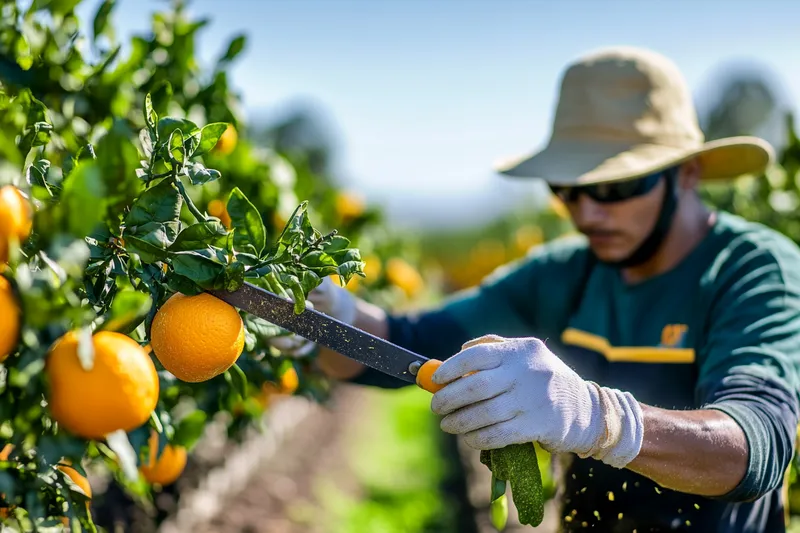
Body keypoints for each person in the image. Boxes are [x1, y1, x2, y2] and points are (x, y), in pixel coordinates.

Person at [295, 46, 800, 532]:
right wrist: (328, 320)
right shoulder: (563, 273)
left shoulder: (752, 270)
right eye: (568, 189)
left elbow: (753, 448)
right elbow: (411, 342)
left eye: (614, 188)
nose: (586, 212)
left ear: (686, 173)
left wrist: (599, 419)